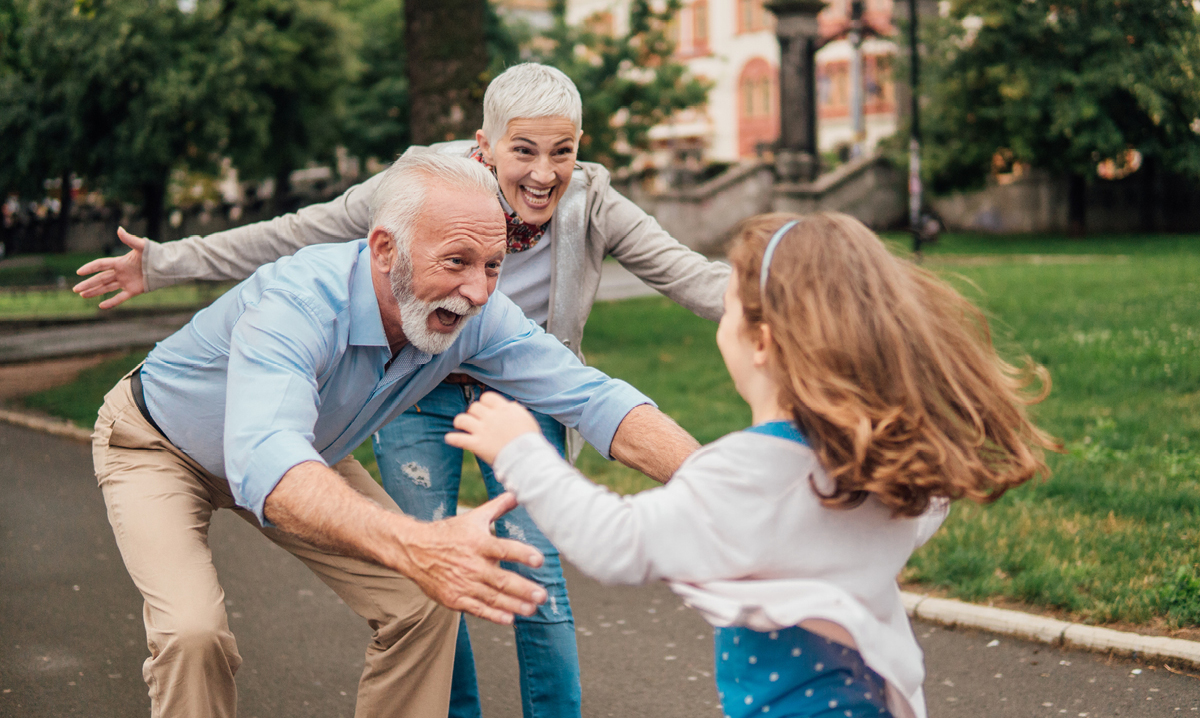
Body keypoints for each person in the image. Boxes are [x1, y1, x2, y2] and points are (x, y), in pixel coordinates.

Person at [74, 62, 729, 718]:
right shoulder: (300, 303)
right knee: (194, 633)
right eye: (455, 264)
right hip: (162, 446)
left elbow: (594, 397)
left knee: (425, 604)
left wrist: (716, 484)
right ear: (385, 250)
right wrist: (419, 544)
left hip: (304, 451)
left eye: (495, 266)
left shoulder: (480, 310)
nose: (478, 291)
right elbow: (265, 458)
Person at [445, 212, 1061, 718]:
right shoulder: (884, 467)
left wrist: (523, 450)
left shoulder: (747, 472)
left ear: (761, 340)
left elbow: (615, 542)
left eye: (729, 303)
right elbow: (926, 505)